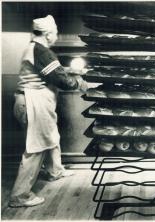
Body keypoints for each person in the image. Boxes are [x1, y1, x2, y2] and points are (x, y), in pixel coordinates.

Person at [9, 15, 88, 207]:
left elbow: (51, 71)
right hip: (33, 103)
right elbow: (61, 80)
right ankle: (19, 196)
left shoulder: (34, 48)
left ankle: (55, 171)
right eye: (55, 32)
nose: (57, 35)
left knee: (50, 136)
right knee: (36, 147)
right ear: (47, 34)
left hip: (30, 101)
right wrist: (78, 82)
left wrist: (69, 71)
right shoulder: (42, 51)